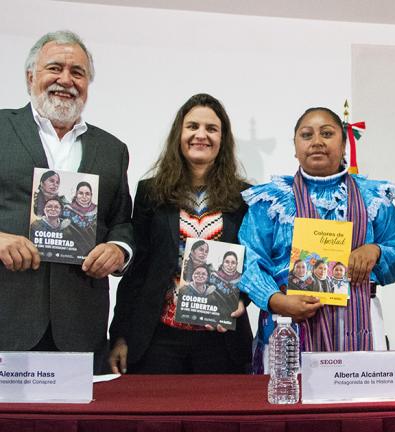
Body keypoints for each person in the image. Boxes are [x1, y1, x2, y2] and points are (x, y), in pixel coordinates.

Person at [0, 31, 133, 372]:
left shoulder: (112, 149)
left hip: (81, 327)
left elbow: (121, 221)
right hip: (7, 318)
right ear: (31, 77)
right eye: (54, 68)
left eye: (77, 72)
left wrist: (118, 249)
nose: (65, 80)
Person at [239, 106, 395, 371]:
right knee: (292, 405)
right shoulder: (270, 201)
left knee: (359, 405)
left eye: (327, 133)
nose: (317, 142)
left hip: (359, 321)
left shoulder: (372, 197)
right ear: (295, 147)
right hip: (288, 321)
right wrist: (275, 300)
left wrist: (376, 251)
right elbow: (249, 259)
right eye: (307, 135)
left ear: (343, 145)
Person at [108, 93, 252, 374]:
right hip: (159, 337)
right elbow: (138, 270)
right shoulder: (151, 192)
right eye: (193, 126)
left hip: (221, 338)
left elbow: (252, 262)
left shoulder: (243, 196)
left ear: (222, 140)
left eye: (211, 129)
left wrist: (242, 298)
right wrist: (121, 334)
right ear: (179, 134)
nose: (201, 135)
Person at [62, 181, 97, 254]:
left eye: (87, 194)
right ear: (76, 194)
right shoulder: (67, 210)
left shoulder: (96, 210)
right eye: (81, 193)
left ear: (91, 195)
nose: (84, 197)